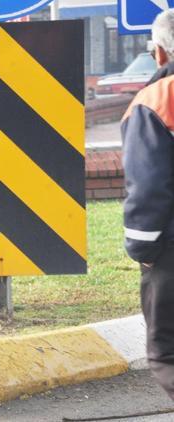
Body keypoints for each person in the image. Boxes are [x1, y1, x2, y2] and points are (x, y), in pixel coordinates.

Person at [122, 9, 174, 400]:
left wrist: (143, 249)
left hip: (171, 252)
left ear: (159, 52)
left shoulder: (156, 101)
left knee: (168, 354)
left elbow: (150, 185)